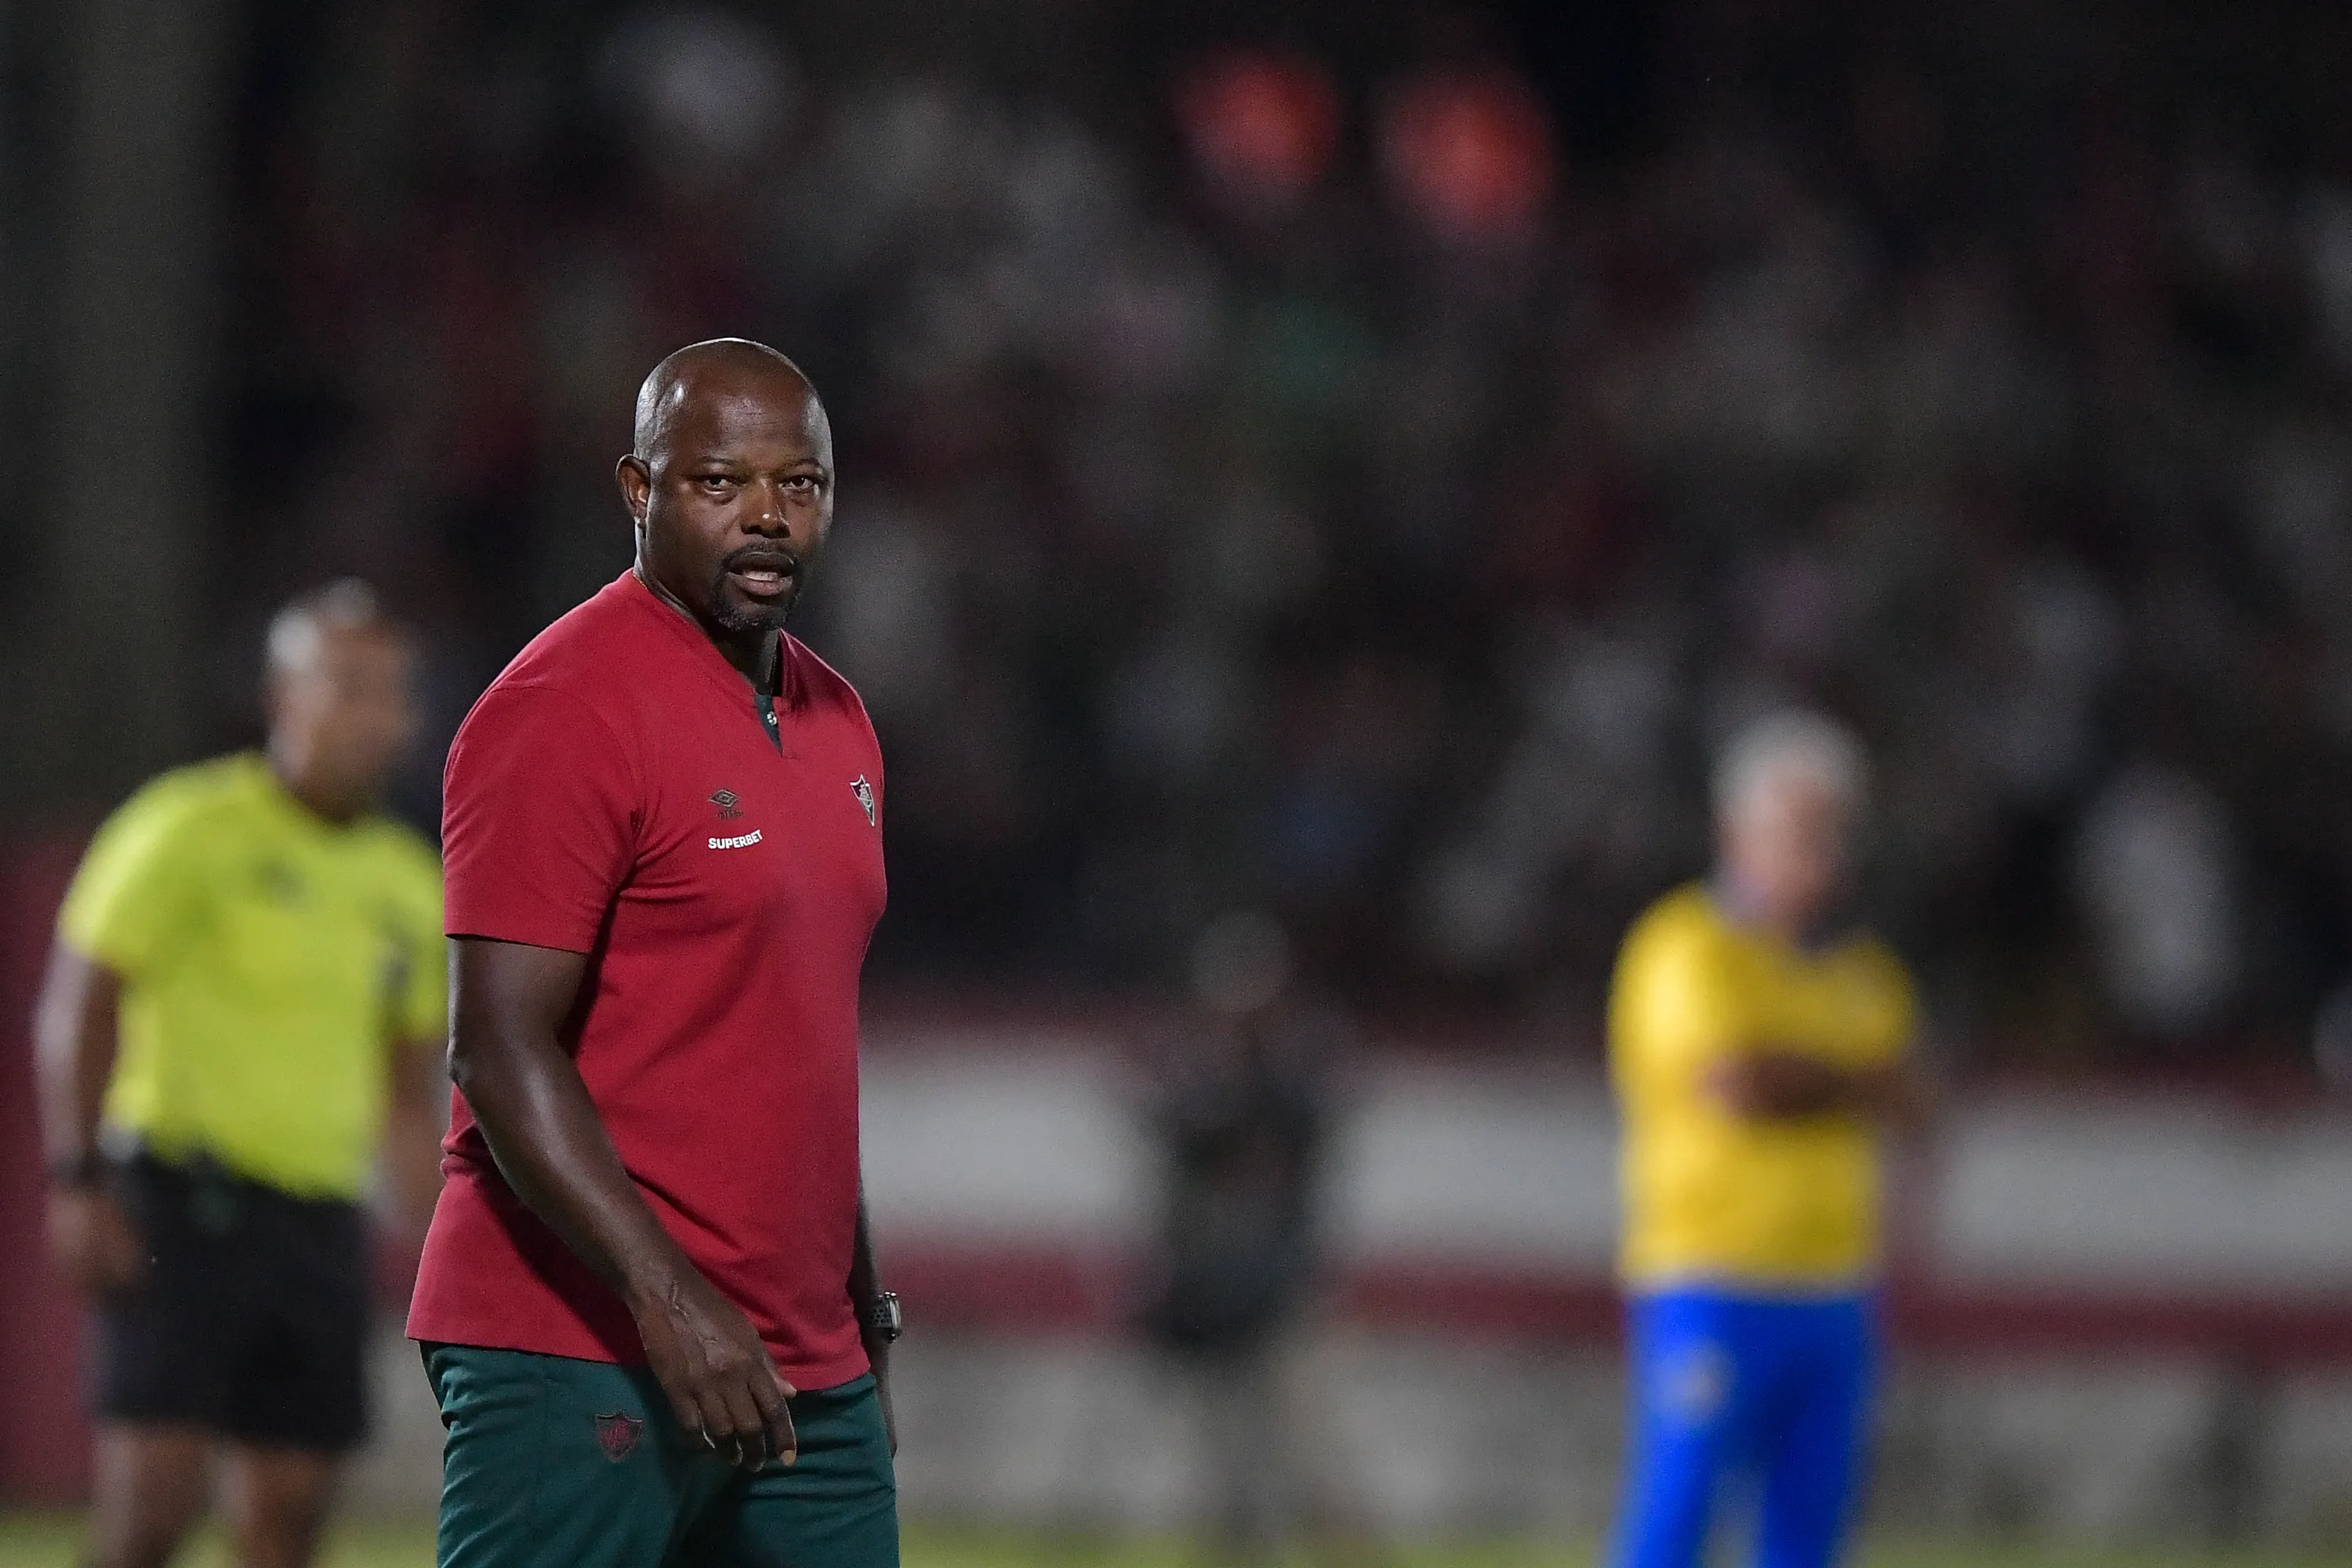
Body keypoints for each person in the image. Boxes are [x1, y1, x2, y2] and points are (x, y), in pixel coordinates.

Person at [408, 339, 902, 1568]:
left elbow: (796, 1048)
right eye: (721, 483)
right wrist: (672, 1305)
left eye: (801, 485)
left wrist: (861, 1317)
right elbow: (496, 1049)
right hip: (584, 1345)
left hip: (801, 1368)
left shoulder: (841, 721)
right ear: (639, 491)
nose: (768, 519)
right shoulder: (563, 709)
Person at [34, 580, 448, 1568]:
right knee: (153, 1509)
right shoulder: (187, 827)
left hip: (316, 1226)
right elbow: (78, 1006)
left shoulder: (409, 884)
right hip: (179, 1201)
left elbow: (402, 1092)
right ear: (282, 697)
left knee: (290, 1522)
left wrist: (440, 1242)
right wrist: (79, 1179)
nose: (372, 715)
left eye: (391, 691)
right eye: (346, 686)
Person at [1604, 710, 1924, 1568]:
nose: (1816, 850)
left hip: (1833, 1286)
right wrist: (1846, 1081)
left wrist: (1808, 1078)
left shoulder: (1861, 970)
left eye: (1830, 828)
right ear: (1733, 828)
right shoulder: (1683, 946)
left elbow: (1911, 1100)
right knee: (1675, 1513)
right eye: (1796, 827)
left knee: (1809, 1530)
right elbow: (1738, 1085)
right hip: (1711, 1275)